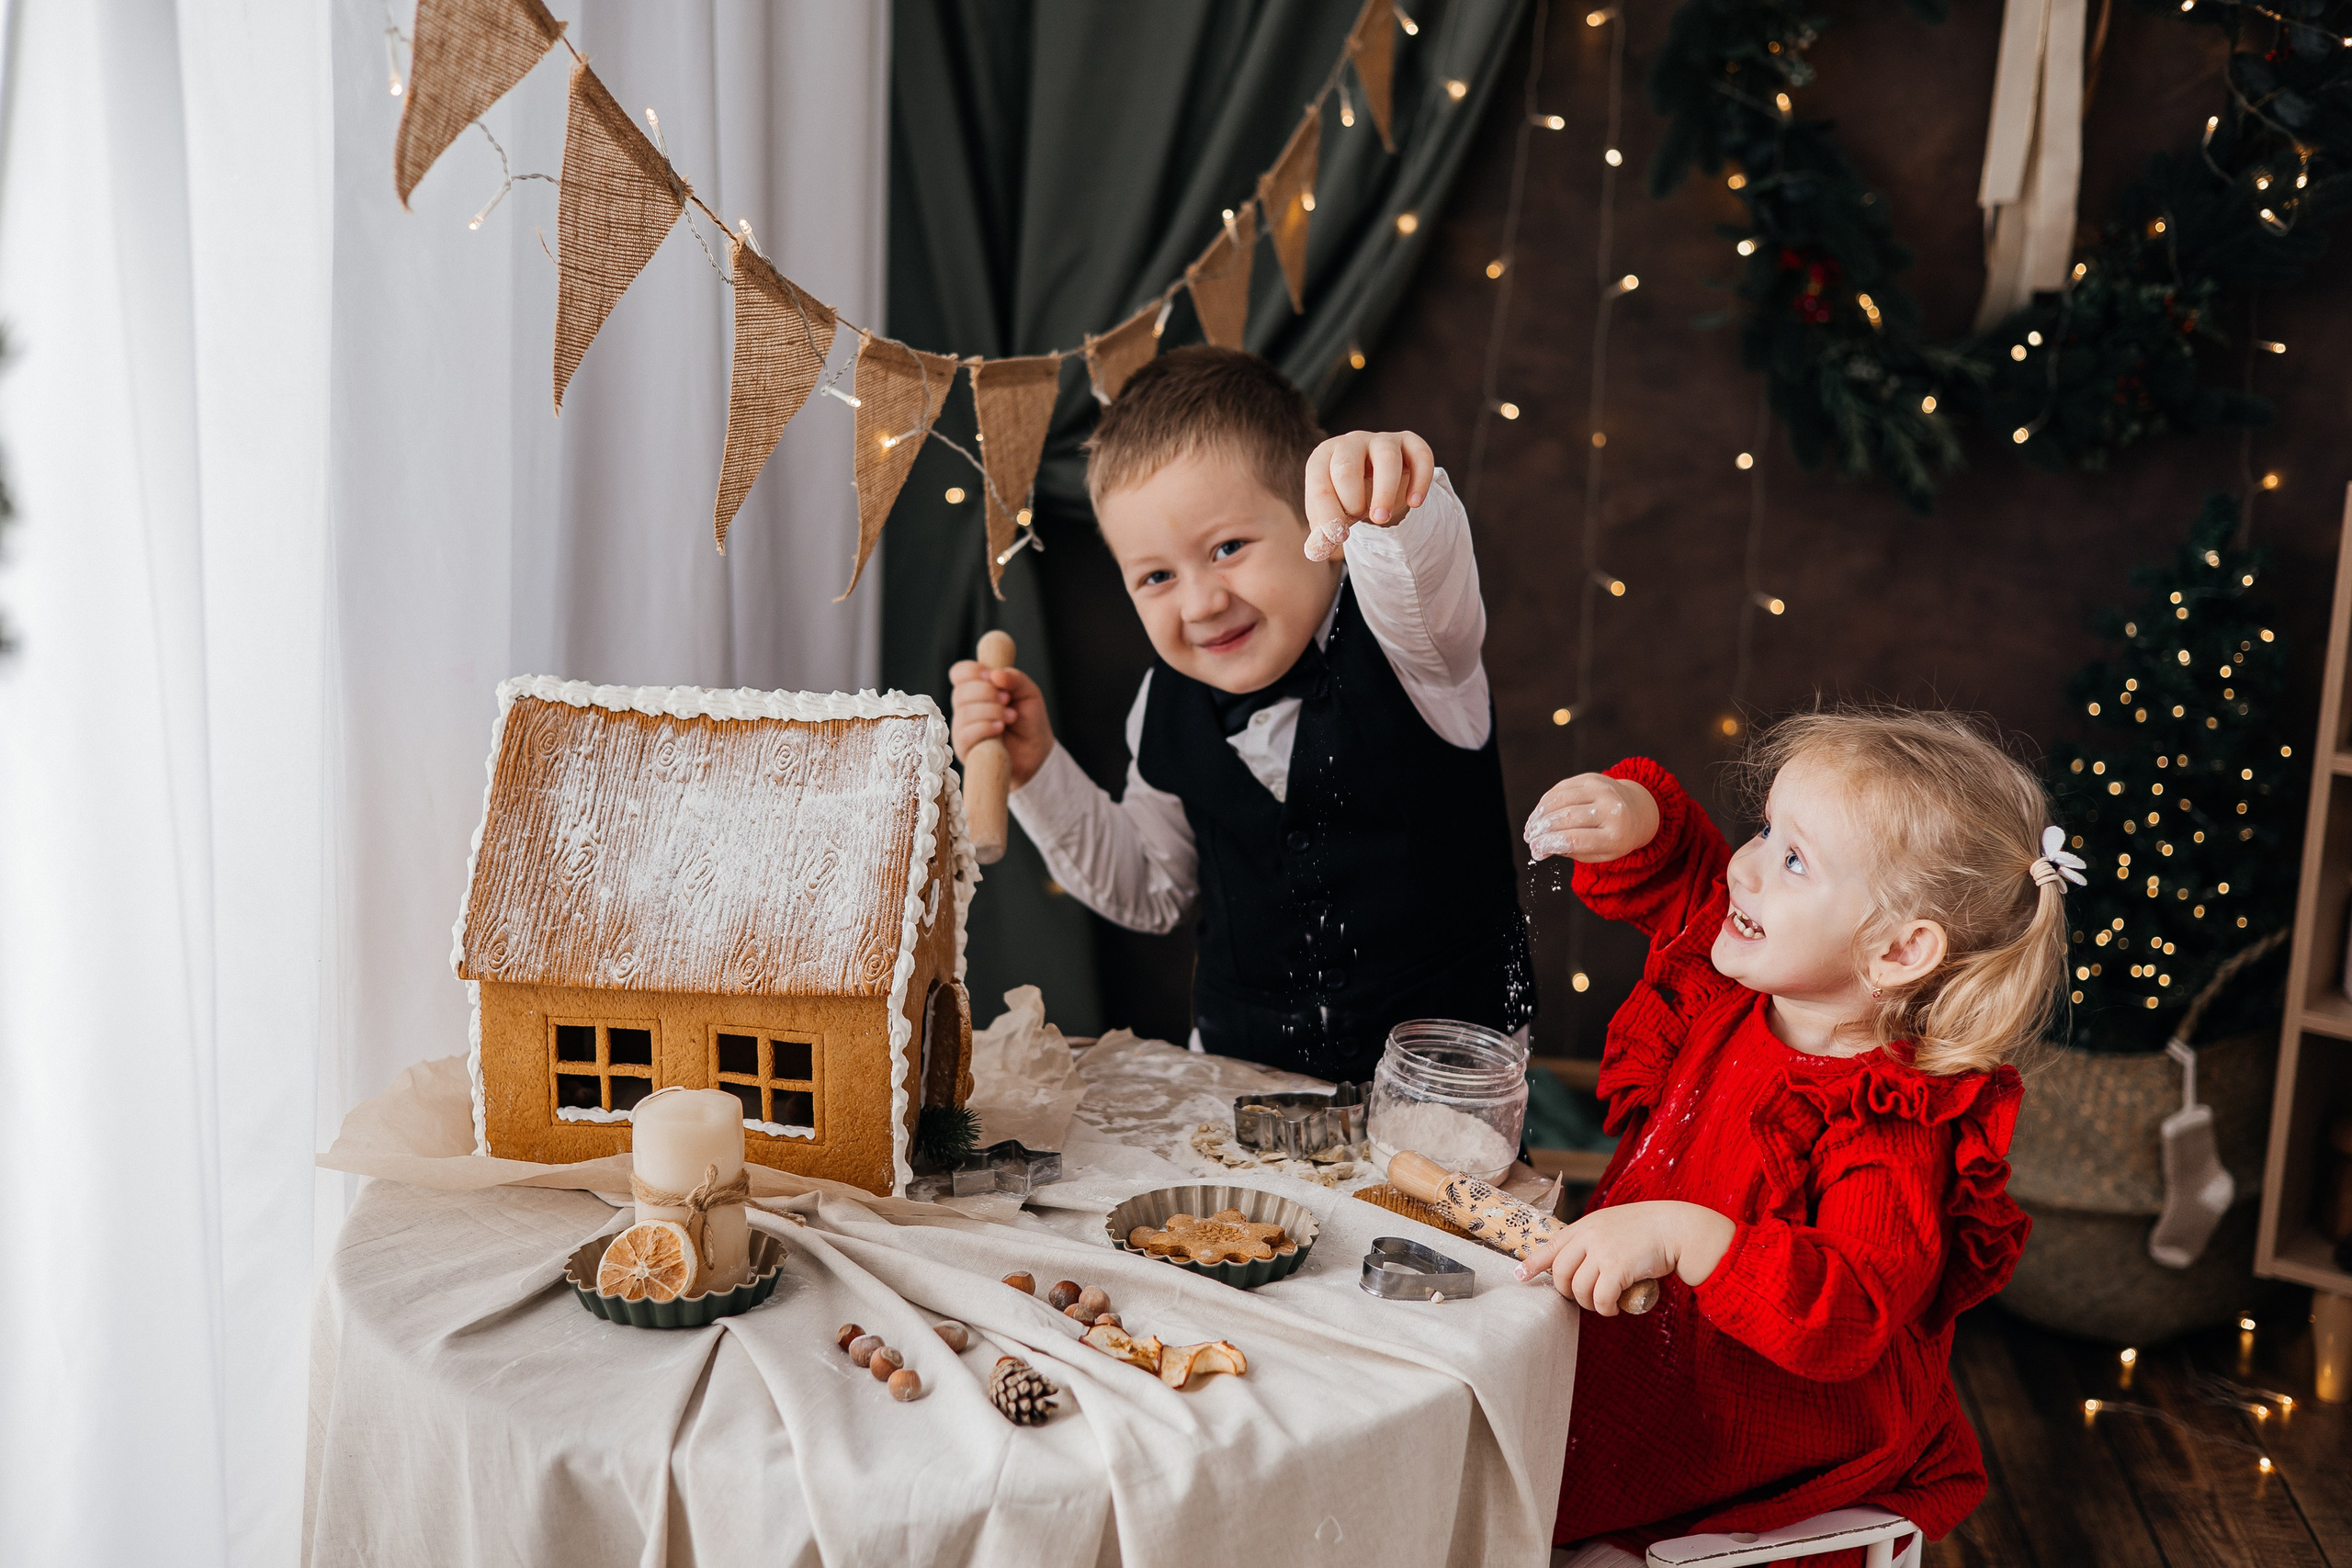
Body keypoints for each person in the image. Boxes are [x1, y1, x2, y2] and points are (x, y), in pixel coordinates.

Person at [1520, 709, 2056, 1565]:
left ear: (1898, 950)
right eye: (1765, 829)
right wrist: (1634, 819)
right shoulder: (1752, 984)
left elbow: (1852, 1310)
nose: (1747, 865)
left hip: (1763, 1437)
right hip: (1652, 1362)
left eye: (1794, 858)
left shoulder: (1886, 1122)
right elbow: (1689, 879)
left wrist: (1686, 1234)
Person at [948, 346, 1531, 1083]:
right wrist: (1036, 771)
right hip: (1239, 1088)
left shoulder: (1415, 644)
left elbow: (1424, 565)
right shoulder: (1163, 703)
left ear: (1321, 525)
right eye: (1156, 576)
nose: (1200, 602)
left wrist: (1388, 495)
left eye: (1228, 547)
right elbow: (1152, 888)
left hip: (1444, 1097)